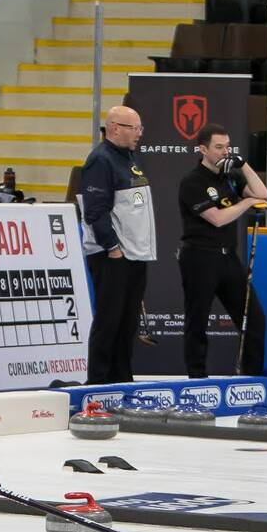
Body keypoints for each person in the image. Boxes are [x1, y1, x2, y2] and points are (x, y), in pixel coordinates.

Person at [175, 124, 267, 379]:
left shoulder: (231, 177)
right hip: (200, 256)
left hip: (228, 257)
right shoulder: (192, 181)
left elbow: (263, 193)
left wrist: (243, 164)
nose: (225, 152)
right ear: (203, 149)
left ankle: (252, 377)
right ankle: (197, 378)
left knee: (255, 318)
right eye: (219, 147)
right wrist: (247, 202)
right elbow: (216, 218)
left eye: (228, 147)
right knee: (198, 320)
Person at [78, 105, 156, 384]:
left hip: (134, 254)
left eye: (140, 128)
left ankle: (122, 378)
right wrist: (112, 246)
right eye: (134, 128)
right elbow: (95, 210)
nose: (139, 134)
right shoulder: (101, 160)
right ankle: (98, 381)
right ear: (114, 128)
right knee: (109, 320)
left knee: (127, 322)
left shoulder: (129, 158)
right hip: (112, 255)